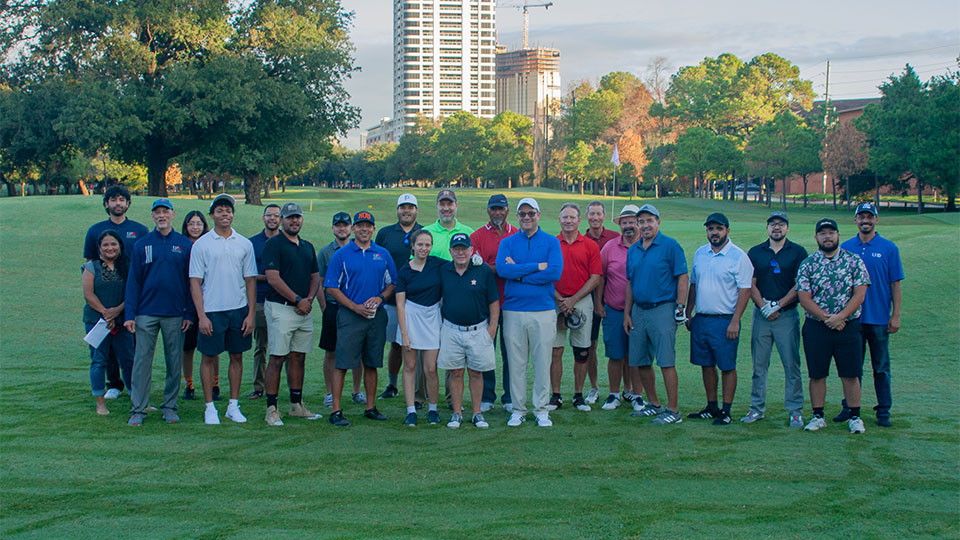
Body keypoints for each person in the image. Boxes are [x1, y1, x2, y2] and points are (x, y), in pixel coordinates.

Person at [323, 210, 398, 427]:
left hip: (376, 317)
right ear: (354, 228)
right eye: (360, 225)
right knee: (343, 363)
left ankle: (370, 407)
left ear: (373, 229)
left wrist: (380, 297)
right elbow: (331, 287)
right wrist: (354, 307)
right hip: (350, 316)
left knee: (372, 362)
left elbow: (392, 283)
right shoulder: (342, 254)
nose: (364, 229)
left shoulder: (382, 254)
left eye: (368, 225)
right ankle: (336, 410)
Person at [123, 199, 194, 425]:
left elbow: (191, 282)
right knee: (142, 361)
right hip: (146, 312)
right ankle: (138, 409)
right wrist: (130, 315)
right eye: (157, 212)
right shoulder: (142, 244)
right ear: (153, 216)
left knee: (174, 361)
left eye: (165, 211)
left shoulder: (185, 245)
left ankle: (170, 406)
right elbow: (133, 281)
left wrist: (189, 314)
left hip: (175, 313)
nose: (161, 216)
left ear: (173, 214)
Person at [797, 218, 871, 434]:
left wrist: (840, 317)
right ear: (816, 237)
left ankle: (855, 416)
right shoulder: (808, 263)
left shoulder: (853, 260)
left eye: (831, 233)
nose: (827, 237)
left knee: (850, 373)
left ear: (838, 235)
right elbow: (804, 297)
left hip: (848, 325)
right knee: (817, 374)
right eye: (822, 233)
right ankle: (818, 415)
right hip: (816, 327)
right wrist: (826, 318)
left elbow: (860, 293)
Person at [189, 194, 258, 425]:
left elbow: (250, 281)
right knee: (209, 357)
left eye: (228, 210)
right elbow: (195, 282)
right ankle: (210, 408)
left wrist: (250, 314)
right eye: (219, 210)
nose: (225, 214)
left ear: (233, 214)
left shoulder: (244, 243)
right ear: (212, 215)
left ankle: (233, 406)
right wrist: (202, 316)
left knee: (236, 356)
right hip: (212, 311)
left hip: (238, 310)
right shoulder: (201, 244)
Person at [496, 197, 563, 427]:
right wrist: (536, 266)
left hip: (543, 311)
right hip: (513, 311)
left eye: (531, 213)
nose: (527, 217)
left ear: (538, 215)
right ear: (517, 216)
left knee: (542, 361)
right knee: (516, 363)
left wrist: (519, 272)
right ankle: (518, 409)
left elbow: (554, 272)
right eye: (522, 214)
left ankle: (541, 409)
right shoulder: (507, 242)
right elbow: (504, 270)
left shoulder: (551, 242)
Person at [838, 202, 903, 427]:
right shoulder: (845, 247)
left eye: (869, 217)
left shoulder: (888, 248)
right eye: (861, 217)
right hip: (853, 318)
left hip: (878, 319)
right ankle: (850, 407)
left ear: (876, 220)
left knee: (881, 367)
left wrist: (895, 315)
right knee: (852, 367)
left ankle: (883, 410)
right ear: (855, 220)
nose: (865, 221)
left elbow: (895, 284)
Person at [684, 213, 753, 426]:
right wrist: (689, 311)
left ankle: (726, 409)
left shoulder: (738, 256)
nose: (714, 232)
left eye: (719, 228)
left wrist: (735, 320)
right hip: (702, 318)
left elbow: (745, 290)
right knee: (706, 364)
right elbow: (693, 284)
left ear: (727, 231)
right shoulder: (700, 253)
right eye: (710, 228)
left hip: (725, 320)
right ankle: (711, 405)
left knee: (727, 365)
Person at [623, 204, 689, 424]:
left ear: (658, 222)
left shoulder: (670, 246)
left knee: (666, 361)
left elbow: (682, 277)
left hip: (662, 309)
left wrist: (680, 306)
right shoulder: (633, 249)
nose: (645, 225)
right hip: (639, 310)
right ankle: (653, 404)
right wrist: (627, 313)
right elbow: (630, 283)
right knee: (640, 361)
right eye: (641, 221)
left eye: (649, 220)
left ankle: (673, 411)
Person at [742, 211, 808, 427]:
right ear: (767, 227)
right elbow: (750, 283)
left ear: (787, 228)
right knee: (759, 366)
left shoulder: (797, 252)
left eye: (780, 224)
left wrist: (778, 305)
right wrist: (764, 306)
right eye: (772, 224)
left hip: (786, 316)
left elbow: (800, 284)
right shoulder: (756, 252)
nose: (776, 228)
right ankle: (756, 409)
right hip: (761, 316)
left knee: (791, 365)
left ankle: (795, 410)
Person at [83, 184, 148, 400]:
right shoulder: (95, 230)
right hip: (103, 299)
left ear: (128, 203)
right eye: (113, 199)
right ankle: (114, 384)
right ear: (106, 204)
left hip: (129, 297)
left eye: (122, 199)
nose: (118, 203)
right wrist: (104, 310)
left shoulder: (139, 230)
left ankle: (134, 389)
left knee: (129, 349)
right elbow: (90, 264)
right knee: (104, 351)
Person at [262, 202, 322, 426]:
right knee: (277, 357)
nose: (294, 221)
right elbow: (273, 278)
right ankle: (272, 408)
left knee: (299, 356)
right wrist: (297, 300)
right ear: (282, 221)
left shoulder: (307, 246)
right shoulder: (274, 244)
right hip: (281, 308)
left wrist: (307, 300)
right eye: (289, 218)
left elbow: (315, 276)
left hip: (303, 310)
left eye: (297, 217)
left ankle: (296, 405)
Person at [438, 233, 500, 429]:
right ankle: (456, 413)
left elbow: (494, 301)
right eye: (456, 249)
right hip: (451, 328)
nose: (461, 252)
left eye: (464, 248)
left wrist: (492, 328)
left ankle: (477, 413)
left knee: (476, 373)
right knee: (455, 372)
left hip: (478, 329)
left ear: (471, 250)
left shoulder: (482, 270)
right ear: (450, 252)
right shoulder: (444, 270)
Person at [424, 189, 474, 409]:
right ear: (437, 206)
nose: (446, 208)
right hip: (431, 299)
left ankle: (452, 397)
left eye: (450, 204)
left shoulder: (468, 232)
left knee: (453, 349)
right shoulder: (426, 233)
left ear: (456, 205)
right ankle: (421, 396)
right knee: (427, 347)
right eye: (442, 204)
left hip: (458, 298)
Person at [549, 203, 602, 412]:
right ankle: (556, 395)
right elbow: (545, 276)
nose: (568, 221)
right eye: (565, 217)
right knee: (555, 351)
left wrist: (572, 300)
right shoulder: (552, 244)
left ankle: (579, 395)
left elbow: (595, 277)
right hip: (556, 300)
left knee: (582, 351)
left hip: (581, 300)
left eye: (572, 217)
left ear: (580, 221)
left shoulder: (590, 245)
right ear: (559, 220)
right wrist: (561, 299)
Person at [470, 194, 518, 412]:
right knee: (486, 349)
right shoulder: (477, 236)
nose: (497, 212)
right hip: (486, 303)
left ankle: (509, 396)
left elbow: (521, 267)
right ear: (488, 210)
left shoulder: (517, 234)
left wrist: (496, 267)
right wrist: (506, 267)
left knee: (511, 351)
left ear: (507, 210)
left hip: (512, 302)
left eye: (501, 208)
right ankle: (487, 395)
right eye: (493, 209)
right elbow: (478, 268)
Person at [374, 193, 423, 402]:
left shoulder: (424, 232)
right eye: (403, 207)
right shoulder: (385, 233)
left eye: (410, 207)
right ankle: (393, 384)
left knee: (420, 347)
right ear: (397, 210)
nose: (406, 210)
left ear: (416, 210)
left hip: (420, 300)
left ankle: (420, 391)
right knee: (395, 343)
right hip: (392, 300)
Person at [395, 229, 445, 426]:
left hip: (432, 317)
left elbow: (460, 264)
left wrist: (475, 260)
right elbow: (400, 304)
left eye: (427, 245)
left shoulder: (437, 265)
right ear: (413, 246)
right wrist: (405, 334)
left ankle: (433, 408)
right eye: (420, 244)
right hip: (411, 317)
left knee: (431, 368)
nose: (424, 248)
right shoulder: (404, 271)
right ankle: (411, 411)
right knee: (410, 366)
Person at [82, 230, 134, 415]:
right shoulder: (91, 267)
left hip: (122, 320)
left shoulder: (127, 266)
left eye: (114, 244)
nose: (110, 248)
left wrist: (117, 311)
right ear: (99, 248)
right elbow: (88, 294)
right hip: (97, 321)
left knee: (129, 360)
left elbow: (132, 293)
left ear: (120, 246)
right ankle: (100, 403)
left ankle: (137, 401)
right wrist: (106, 314)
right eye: (106, 245)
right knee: (99, 360)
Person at [316, 212, 364, 407]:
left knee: (358, 351)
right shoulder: (326, 252)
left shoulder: (360, 249)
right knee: (331, 350)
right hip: (333, 307)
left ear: (351, 228)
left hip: (356, 308)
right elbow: (319, 282)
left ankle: (356, 391)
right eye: (338, 226)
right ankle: (329, 393)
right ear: (333, 228)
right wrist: (324, 306)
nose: (342, 229)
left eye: (345, 225)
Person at [595, 205, 639, 411]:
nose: (628, 226)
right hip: (613, 308)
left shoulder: (646, 245)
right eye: (625, 222)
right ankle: (614, 394)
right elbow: (601, 277)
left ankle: (635, 394)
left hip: (641, 311)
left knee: (636, 354)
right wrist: (598, 303)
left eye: (632, 221)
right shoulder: (610, 247)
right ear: (620, 225)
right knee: (615, 354)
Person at [583, 200, 620, 403]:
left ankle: (627, 389)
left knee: (619, 346)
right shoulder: (581, 239)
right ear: (586, 217)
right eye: (592, 214)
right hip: (589, 300)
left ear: (604, 216)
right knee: (590, 345)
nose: (595, 217)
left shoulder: (615, 237)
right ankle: (594, 387)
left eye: (598, 214)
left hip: (614, 299)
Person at [247, 204, 281, 400]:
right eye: (269, 215)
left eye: (276, 216)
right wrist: (270, 277)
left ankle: (276, 386)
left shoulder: (286, 241)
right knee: (261, 346)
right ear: (263, 218)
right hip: (260, 300)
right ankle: (259, 386)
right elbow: (249, 274)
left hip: (282, 301)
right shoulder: (253, 243)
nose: (272, 219)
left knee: (281, 348)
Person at [180, 211, 209, 401]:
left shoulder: (209, 245)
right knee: (187, 347)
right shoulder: (181, 246)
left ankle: (214, 384)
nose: (195, 227)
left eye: (199, 223)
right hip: (186, 303)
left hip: (209, 302)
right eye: (191, 224)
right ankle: (188, 384)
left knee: (209, 349)